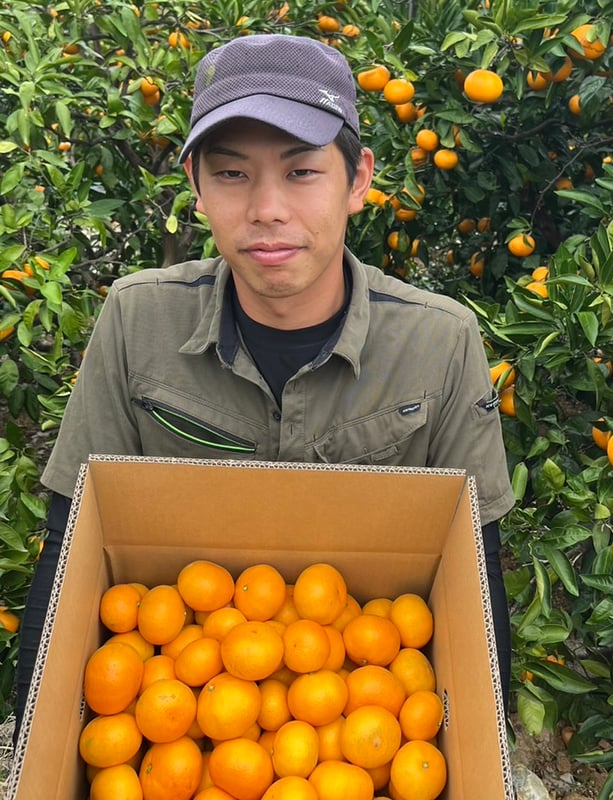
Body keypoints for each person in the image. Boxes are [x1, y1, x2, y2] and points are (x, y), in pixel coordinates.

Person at [15, 33, 515, 739]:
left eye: (303, 172)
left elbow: (476, 569)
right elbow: (69, 545)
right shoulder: (138, 320)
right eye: (232, 174)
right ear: (195, 184)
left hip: (363, 707)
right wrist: (31, 745)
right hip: (177, 696)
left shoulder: (439, 344)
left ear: (360, 179)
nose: (267, 209)